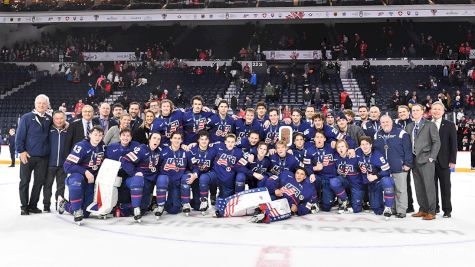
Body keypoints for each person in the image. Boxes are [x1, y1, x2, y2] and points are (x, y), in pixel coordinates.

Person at [58, 126, 106, 224]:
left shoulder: (102, 146)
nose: (98, 137)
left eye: (100, 135)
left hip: (91, 179)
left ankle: (65, 204)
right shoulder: (81, 146)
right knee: (76, 181)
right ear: (90, 135)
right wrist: (85, 172)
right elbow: (67, 166)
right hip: (78, 176)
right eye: (95, 135)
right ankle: (76, 210)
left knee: (86, 213)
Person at [16, 94, 52, 215]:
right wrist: (21, 151)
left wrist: (66, 124)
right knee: (25, 181)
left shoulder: (49, 118)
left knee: (39, 182)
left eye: (44, 103)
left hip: (43, 158)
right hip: (28, 156)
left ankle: (32, 205)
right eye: (39, 103)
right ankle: (24, 206)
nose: (41, 105)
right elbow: (19, 136)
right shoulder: (26, 117)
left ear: (47, 105)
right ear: (35, 104)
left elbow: (58, 125)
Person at [373, 115, 413, 218]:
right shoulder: (377, 134)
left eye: (387, 122)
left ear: (391, 122)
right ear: (380, 124)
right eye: (383, 122)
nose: (385, 124)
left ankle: (401, 210)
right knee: (390, 189)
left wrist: (408, 163)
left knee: (400, 189)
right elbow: (376, 151)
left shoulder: (401, 133)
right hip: (385, 169)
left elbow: (408, 149)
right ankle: (393, 208)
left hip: (399, 166)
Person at [407, 104, 441, 220]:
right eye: (413, 110)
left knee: (429, 186)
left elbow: (436, 142)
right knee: (418, 186)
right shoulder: (410, 126)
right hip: (414, 160)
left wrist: (432, 157)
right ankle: (423, 209)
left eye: (417, 110)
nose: (415, 112)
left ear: (422, 112)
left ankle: (432, 211)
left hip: (426, 160)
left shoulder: (430, 125)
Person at [120, 132, 162, 221]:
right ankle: (121, 207)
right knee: (138, 180)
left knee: (143, 208)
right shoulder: (142, 149)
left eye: (158, 139)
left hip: (148, 183)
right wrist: (134, 172)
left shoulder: (158, 151)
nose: (156, 140)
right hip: (136, 180)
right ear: (149, 140)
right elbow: (125, 160)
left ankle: (128, 207)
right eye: (154, 138)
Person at [155, 132, 194, 218]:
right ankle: (160, 205)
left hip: (177, 183)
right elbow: (157, 166)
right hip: (166, 182)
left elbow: (194, 166)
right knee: (161, 178)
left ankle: (185, 203)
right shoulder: (164, 151)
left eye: (178, 138)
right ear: (171, 139)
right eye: (175, 138)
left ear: (181, 140)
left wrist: (194, 174)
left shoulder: (186, 152)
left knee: (173, 210)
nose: (176, 140)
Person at [357, 136, 395, 218]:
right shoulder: (357, 152)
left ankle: (388, 207)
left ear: (371, 145)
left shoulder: (378, 155)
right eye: (362, 144)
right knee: (377, 209)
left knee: (387, 181)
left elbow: (387, 171)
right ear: (360, 146)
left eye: (367, 144)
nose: (365, 146)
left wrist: (376, 176)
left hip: (378, 182)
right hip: (369, 185)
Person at [431, 101, 457, 218]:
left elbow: (454, 144)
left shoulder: (449, 125)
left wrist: (453, 161)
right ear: (431, 110)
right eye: (434, 109)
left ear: (443, 111)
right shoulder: (426, 124)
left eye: (438, 109)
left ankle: (447, 210)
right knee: (432, 186)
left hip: (444, 161)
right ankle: (434, 207)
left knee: (445, 186)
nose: (436, 111)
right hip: (430, 162)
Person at [331, 140, 364, 213]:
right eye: (338, 147)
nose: (340, 149)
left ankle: (360, 200)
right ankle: (345, 200)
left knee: (356, 209)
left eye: (342, 146)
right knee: (333, 181)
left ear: (347, 147)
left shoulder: (354, 155)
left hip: (356, 183)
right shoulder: (335, 157)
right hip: (344, 181)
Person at [44, 111, 68, 213]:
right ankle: (46, 205)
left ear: (65, 119)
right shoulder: (48, 130)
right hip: (49, 164)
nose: (59, 120)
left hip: (63, 165)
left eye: (61, 118)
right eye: (56, 118)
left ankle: (60, 204)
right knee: (47, 185)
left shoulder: (68, 130)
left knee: (61, 186)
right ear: (53, 119)